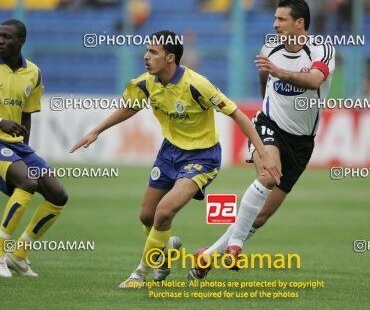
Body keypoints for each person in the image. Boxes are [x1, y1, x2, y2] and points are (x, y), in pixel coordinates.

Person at [70, 30, 280, 288]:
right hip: (169, 153)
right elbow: (130, 107)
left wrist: (262, 152)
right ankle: (167, 247)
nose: (146, 56)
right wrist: (96, 131)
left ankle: (141, 273)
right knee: (147, 216)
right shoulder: (147, 83)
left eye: (153, 52)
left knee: (164, 211)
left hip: (202, 157)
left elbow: (237, 114)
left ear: (170, 58)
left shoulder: (197, 85)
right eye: (147, 51)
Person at [188, 0, 335, 280]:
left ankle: (206, 257)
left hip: (302, 142)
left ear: (299, 23)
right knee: (269, 174)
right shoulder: (270, 46)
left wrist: (278, 72)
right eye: (275, 19)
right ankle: (235, 245)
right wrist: (268, 102)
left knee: (261, 216)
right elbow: (263, 79)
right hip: (268, 126)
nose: (275, 24)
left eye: (281, 19)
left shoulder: (321, 49)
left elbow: (316, 80)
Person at [0, 19, 68, 277]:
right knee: (27, 183)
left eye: (6, 37)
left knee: (58, 195)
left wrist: (24, 147)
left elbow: (26, 115)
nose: (0, 41)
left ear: (21, 41)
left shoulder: (33, 73)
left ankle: (19, 253)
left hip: (15, 146)